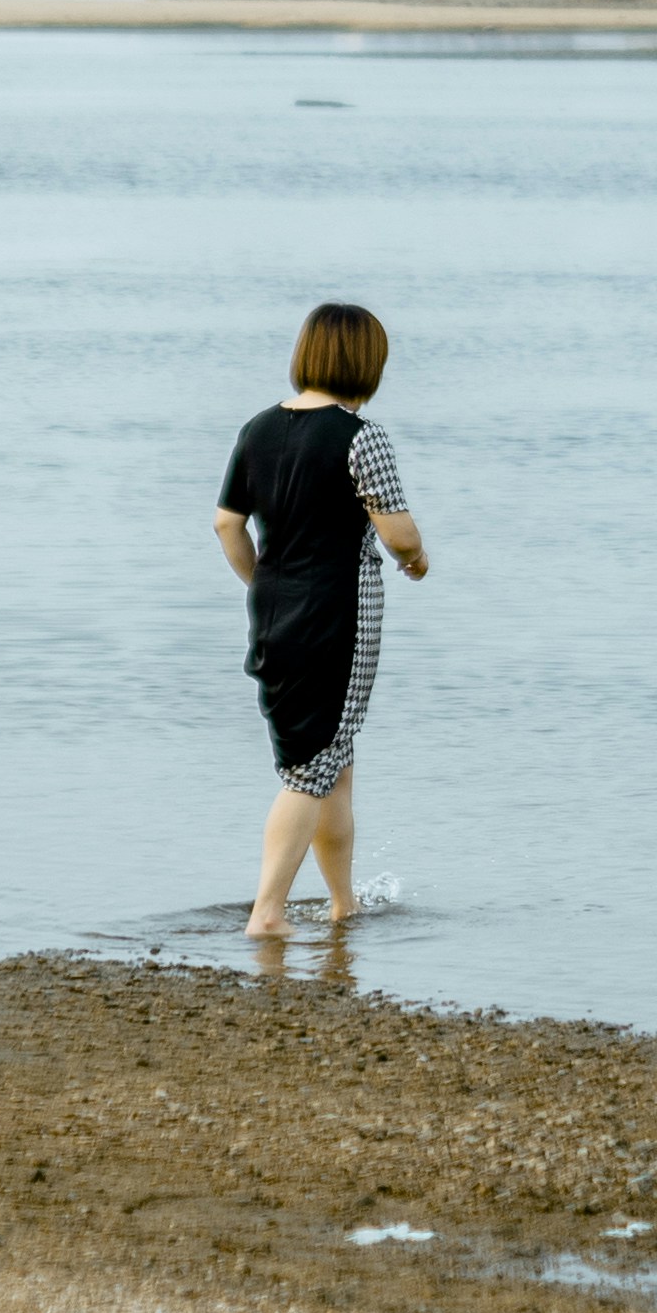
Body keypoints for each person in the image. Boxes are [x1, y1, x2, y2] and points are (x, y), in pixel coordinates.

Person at [217, 300, 426, 937]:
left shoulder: (257, 429)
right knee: (310, 773)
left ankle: (343, 905)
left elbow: (228, 523)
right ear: (368, 365)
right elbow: (399, 534)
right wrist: (417, 561)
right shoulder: (361, 437)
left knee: (334, 762)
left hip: (274, 617)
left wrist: (267, 584)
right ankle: (268, 914)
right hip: (337, 625)